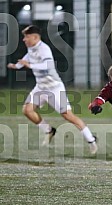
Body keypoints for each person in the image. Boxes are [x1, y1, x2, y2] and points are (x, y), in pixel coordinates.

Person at [7, 25, 98, 154]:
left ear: (35, 37)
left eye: (26, 37)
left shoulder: (44, 48)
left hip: (54, 88)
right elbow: (25, 60)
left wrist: (30, 65)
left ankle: (91, 140)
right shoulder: (31, 48)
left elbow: (47, 65)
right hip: (40, 87)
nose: (24, 40)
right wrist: (15, 66)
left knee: (68, 116)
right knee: (27, 110)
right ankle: (49, 130)